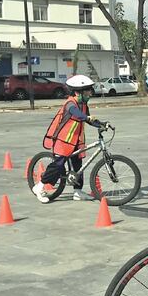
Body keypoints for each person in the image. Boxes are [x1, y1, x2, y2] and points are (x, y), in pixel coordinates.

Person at [32, 75, 107, 203]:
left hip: (76, 141)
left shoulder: (83, 104)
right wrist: (87, 118)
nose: (90, 93)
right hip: (63, 141)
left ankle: (77, 192)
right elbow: (77, 114)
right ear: (78, 92)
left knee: (78, 166)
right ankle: (39, 187)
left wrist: (102, 124)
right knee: (59, 165)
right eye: (87, 90)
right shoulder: (70, 103)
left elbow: (87, 118)